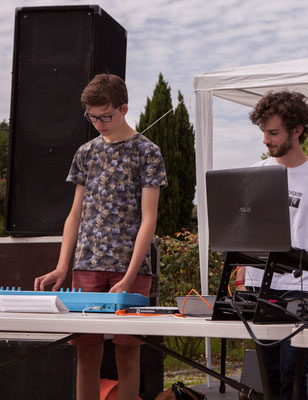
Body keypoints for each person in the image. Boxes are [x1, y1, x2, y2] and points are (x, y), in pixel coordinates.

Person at [34, 73, 167, 400]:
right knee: (87, 351)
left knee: (128, 353)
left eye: (105, 116)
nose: (99, 123)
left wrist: (132, 274)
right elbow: (75, 214)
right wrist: (62, 266)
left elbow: (149, 220)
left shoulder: (147, 152)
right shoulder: (86, 152)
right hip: (87, 263)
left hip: (130, 267)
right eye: (92, 117)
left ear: (123, 108)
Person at [234, 90, 308, 400]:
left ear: (296, 130)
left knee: (292, 372)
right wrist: (242, 282)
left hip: (300, 290)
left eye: (273, 132)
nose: (266, 140)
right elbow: (246, 233)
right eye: (263, 132)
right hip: (259, 287)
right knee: (267, 375)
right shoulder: (256, 174)